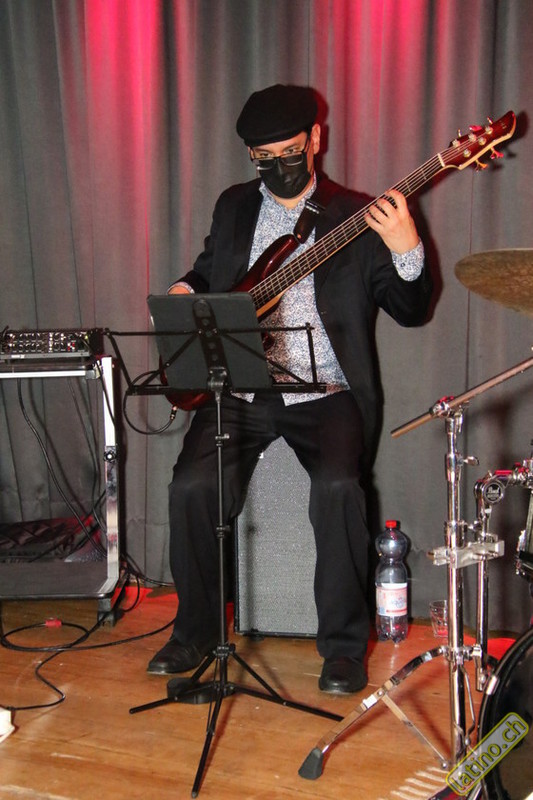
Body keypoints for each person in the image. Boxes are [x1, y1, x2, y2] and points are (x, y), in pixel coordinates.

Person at [148, 84, 432, 694]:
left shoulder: (357, 215)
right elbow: (210, 272)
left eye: (290, 152)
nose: (279, 166)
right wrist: (184, 290)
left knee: (338, 489)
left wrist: (407, 247)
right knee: (190, 487)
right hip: (241, 389)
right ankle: (193, 632)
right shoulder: (233, 207)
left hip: (326, 391)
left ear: (316, 140)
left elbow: (410, 310)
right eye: (264, 157)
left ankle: (344, 649)